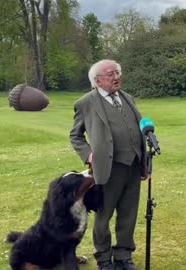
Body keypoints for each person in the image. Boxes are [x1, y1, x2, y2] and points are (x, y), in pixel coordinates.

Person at [70, 59, 146, 270]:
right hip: (107, 169)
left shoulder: (128, 98)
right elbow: (75, 135)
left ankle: (124, 256)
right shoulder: (86, 102)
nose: (116, 77)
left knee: (128, 214)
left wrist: (144, 164)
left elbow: (138, 131)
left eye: (117, 72)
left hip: (133, 166)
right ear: (97, 80)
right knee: (103, 216)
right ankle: (104, 259)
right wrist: (88, 155)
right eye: (111, 74)